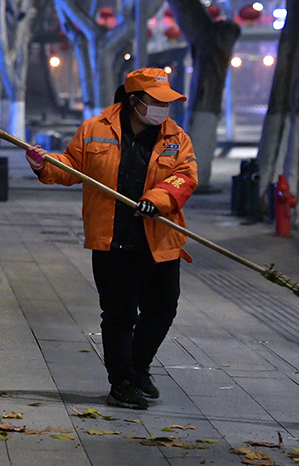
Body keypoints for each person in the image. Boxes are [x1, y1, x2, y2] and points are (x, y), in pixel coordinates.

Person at [25, 67, 198, 410]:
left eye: (167, 102)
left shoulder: (176, 137)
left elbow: (186, 176)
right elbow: (72, 165)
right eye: (156, 101)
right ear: (134, 101)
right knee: (119, 315)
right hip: (113, 240)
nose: (164, 108)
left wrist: (159, 199)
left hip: (159, 240)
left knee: (162, 309)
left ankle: (139, 366)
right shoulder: (94, 130)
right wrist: (44, 164)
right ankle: (122, 383)